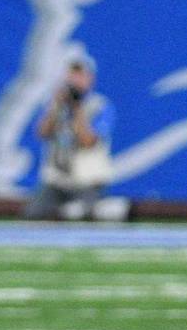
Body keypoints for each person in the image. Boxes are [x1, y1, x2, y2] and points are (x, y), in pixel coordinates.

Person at [22, 53, 127, 221]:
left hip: (88, 181)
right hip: (57, 181)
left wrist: (78, 110)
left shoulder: (99, 106)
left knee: (83, 215)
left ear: (90, 78)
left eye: (80, 76)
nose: (75, 80)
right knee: (33, 214)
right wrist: (55, 108)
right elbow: (42, 133)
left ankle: (107, 208)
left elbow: (88, 141)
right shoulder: (56, 104)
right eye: (72, 75)